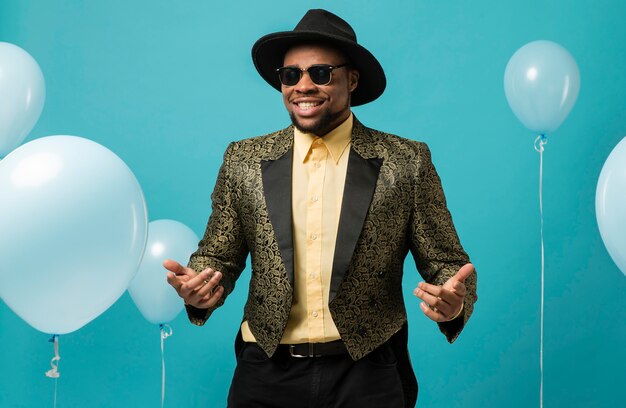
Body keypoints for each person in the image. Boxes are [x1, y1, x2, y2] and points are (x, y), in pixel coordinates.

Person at [165, 8, 477, 408]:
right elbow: (219, 255)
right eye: (291, 75)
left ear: (352, 79)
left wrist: (455, 300)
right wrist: (201, 288)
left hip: (366, 372)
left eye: (321, 73)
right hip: (266, 372)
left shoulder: (406, 161)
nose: (303, 86)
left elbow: (448, 263)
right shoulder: (243, 159)